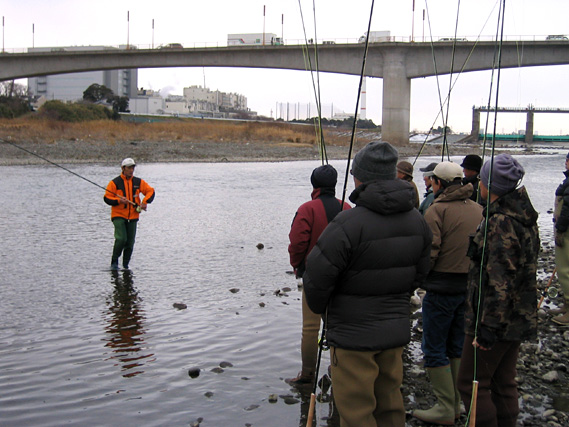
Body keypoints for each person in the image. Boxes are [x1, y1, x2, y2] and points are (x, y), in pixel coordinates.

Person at [303, 141, 432, 426]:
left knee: (356, 413)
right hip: (395, 331)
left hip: (352, 338)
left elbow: (316, 280)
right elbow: (421, 275)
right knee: (390, 408)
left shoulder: (346, 223)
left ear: (360, 177)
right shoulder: (418, 221)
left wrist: (327, 310)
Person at [457, 154, 540, 427]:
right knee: (503, 381)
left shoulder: (500, 222)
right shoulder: (523, 215)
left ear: (489, 185)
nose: (478, 182)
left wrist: (488, 327)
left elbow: (500, 279)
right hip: (518, 316)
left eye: (482, 178)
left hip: (494, 320)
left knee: (472, 383)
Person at [412, 162, 483, 425]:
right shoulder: (478, 209)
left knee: (433, 348)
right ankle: (456, 404)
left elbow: (430, 253)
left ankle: (445, 406)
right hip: (468, 289)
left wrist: (417, 280)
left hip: (441, 290)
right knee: (456, 346)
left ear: (438, 183)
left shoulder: (436, 210)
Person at [286, 164, 351, 385]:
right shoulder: (347, 207)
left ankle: (307, 375)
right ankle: (338, 371)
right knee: (337, 326)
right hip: (343, 278)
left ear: (313, 185)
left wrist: (298, 266)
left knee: (311, 328)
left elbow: (297, 243)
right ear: (334, 185)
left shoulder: (307, 209)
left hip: (314, 278)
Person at [104, 158, 155, 270]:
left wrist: (145, 202)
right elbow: (107, 198)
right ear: (123, 169)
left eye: (132, 168)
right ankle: (114, 262)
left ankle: (126, 265)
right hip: (118, 215)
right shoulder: (114, 183)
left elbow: (150, 191)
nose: (131, 170)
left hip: (133, 216)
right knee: (121, 239)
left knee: (130, 242)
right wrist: (118, 201)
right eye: (129, 168)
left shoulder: (138, 182)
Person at [553, 152, 569, 325]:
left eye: (568, 160)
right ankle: (566, 305)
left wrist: (560, 229)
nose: (565, 163)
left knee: (565, 270)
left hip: (566, 232)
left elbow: (567, 210)